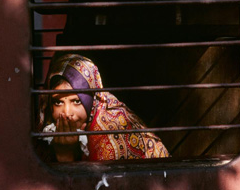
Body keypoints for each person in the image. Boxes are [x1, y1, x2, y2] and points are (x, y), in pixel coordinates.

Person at [38, 53, 169, 162]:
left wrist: (65, 154)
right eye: (58, 103)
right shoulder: (55, 124)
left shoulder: (112, 140)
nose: (67, 113)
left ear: (91, 99)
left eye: (77, 101)